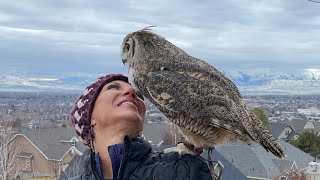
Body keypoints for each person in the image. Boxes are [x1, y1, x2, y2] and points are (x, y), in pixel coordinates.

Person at [65, 73, 212, 180]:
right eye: (113, 87)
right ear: (89, 116)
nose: (132, 91)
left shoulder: (184, 169)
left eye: (139, 94)